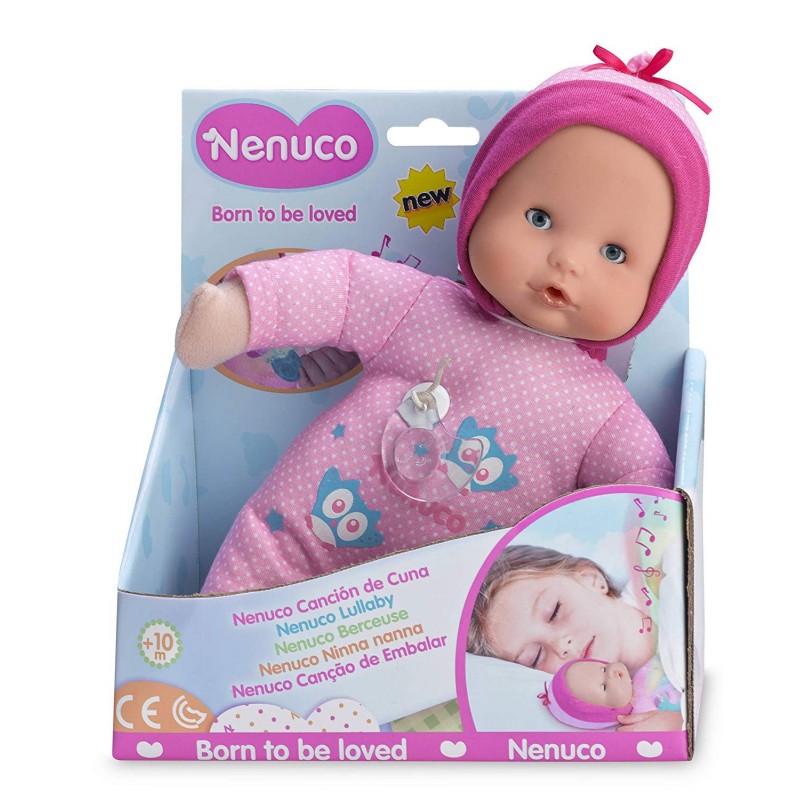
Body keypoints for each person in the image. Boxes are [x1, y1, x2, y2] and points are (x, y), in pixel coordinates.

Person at [176, 46, 709, 594]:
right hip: (305, 536)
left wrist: (647, 579)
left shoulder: (602, 415)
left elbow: (647, 498)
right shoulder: (424, 307)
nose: (567, 260)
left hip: (455, 611)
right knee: (240, 598)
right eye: (539, 218)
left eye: (614, 253)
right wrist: (238, 312)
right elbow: (341, 287)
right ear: (484, 198)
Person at [467, 544, 682, 732]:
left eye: (554, 612)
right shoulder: (636, 714)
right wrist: (681, 726)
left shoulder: (674, 578)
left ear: (591, 579)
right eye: (535, 656)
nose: (561, 645)